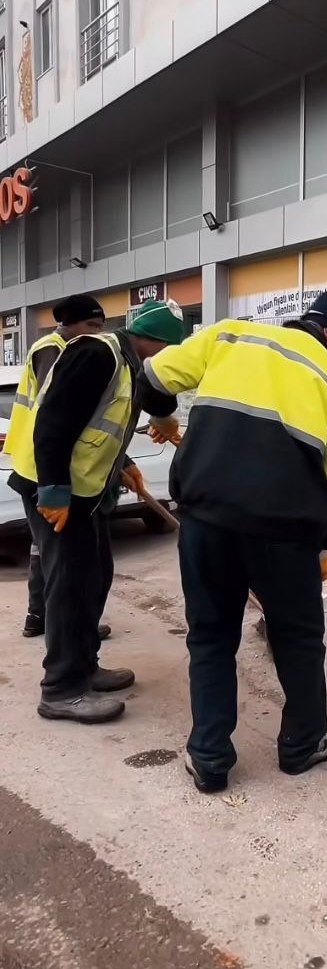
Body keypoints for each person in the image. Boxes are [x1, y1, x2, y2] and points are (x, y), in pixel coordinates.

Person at [142, 287, 327, 794]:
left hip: (205, 520)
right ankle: (303, 743)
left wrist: (162, 418)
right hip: (284, 534)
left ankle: (210, 758)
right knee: (299, 637)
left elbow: (151, 378)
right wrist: (323, 547)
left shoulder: (229, 333)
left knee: (211, 636)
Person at [8, 299, 184, 725]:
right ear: (157, 341)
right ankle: (62, 690)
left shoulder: (131, 364)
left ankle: (85, 666)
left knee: (95, 575)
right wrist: (52, 490)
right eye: (172, 349)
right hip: (54, 490)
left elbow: (134, 407)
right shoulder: (97, 353)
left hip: (86, 492)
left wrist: (140, 447)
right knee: (69, 585)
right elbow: (55, 420)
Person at [6, 294, 113, 641]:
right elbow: (59, 415)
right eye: (91, 326)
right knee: (61, 561)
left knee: (46, 550)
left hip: (40, 464)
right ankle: (62, 626)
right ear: (66, 325)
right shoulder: (53, 350)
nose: (97, 334)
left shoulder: (73, 347)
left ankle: (41, 618)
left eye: (101, 327)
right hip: (43, 468)